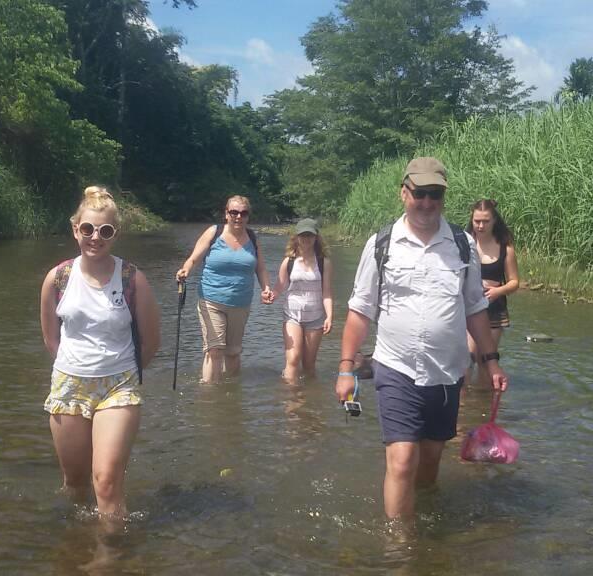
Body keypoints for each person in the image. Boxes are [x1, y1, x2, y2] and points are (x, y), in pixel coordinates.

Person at [335, 157, 509, 523]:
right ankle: (401, 549)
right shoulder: (381, 244)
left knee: (429, 464)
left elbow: (475, 308)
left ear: (443, 198)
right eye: (420, 193)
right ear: (404, 193)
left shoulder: (462, 245)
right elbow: (359, 311)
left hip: (447, 373)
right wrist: (346, 369)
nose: (427, 202)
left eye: (435, 194)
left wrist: (491, 361)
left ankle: (425, 515)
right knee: (401, 461)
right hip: (395, 368)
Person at [39, 186, 161, 520]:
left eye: (105, 230)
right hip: (69, 387)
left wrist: (124, 374)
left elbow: (151, 342)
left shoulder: (132, 278)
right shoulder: (58, 278)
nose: (96, 237)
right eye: (88, 229)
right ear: (75, 229)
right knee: (75, 483)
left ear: (115, 234)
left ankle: (110, 558)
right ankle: (76, 546)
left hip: (118, 386)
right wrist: (76, 367)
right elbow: (52, 339)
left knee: (106, 482)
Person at [176, 195, 274, 383]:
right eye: (234, 212)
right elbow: (194, 258)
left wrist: (266, 288)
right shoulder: (214, 232)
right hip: (211, 300)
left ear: (248, 216)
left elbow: (260, 268)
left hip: (241, 303)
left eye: (243, 213)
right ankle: (210, 396)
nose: (239, 217)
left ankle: (230, 395)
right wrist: (185, 270)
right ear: (226, 214)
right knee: (214, 350)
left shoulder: (253, 238)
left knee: (233, 352)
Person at [466, 199, 520, 386]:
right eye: (477, 221)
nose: (481, 226)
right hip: (470, 308)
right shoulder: (465, 243)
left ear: (494, 220)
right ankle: (464, 405)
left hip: (494, 309)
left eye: (486, 221)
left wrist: (498, 291)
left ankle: (484, 401)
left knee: (486, 360)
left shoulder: (506, 248)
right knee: (467, 359)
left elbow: (514, 282)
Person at [273, 218, 334, 381]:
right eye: (303, 235)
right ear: (296, 237)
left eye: (310, 235)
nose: (306, 239)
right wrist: (271, 295)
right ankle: (291, 400)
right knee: (293, 358)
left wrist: (329, 316)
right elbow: (280, 286)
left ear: (316, 238)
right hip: (292, 315)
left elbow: (327, 293)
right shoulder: (289, 261)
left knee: (309, 364)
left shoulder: (323, 263)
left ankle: (310, 400)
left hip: (316, 317)